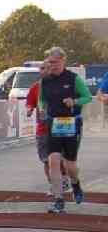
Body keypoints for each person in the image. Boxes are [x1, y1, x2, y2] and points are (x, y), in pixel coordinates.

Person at [38, 46, 92, 214]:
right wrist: (41, 108)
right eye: (50, 62)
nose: (52, 65)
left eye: (55, 62)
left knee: (70, 167)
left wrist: (74, 101)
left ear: (63, 60)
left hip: (71, 124)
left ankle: (75, 183)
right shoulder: (45, 81)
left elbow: (88, 97)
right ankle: (58, 200)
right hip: (53, 124)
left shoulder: (74, 78)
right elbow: (41, 99)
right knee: (53, 160)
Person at [25, 61, 69, 195]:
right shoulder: (35, 87)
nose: (42, 71)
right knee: (46, 160)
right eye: (41, 69)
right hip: (43, 129)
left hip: (60, 126)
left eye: (45, 68)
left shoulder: (62, 85)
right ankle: (54, 186)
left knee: (60, 158)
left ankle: (64, 180)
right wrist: (30, 109)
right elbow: (29, 103)